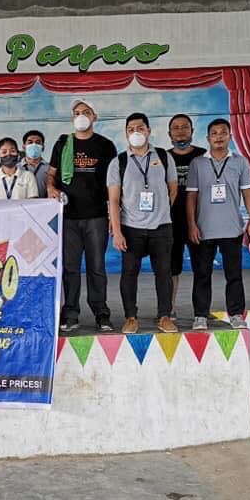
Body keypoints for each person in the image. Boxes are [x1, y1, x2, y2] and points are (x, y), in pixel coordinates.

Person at [47, 100, 117, 333]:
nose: (81, 116)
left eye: (86, 112)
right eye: (77, 113)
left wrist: (113, 216)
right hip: (69, 217)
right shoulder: (63, 143)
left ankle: (101, 313)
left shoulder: (105, 146)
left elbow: (113, 183)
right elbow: (52, 174)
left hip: (96, 216)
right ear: (72, 118)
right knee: (70, 267)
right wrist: (50, 188)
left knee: (97, 267)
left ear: (94, 116)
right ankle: (71, 314)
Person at [107, 112, 179, 334]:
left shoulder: (165, 157)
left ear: (148, 130)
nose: (136, 133)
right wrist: (117, 232)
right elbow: (114, 200)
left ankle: (164, 316)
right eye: (131, 130)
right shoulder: (118, 162)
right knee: (129, 274)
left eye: (140, 128)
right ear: (126, 134)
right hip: (131, 228)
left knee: (164, 273)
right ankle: (130, 317)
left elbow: (173, 188)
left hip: (161, 227)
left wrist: (160, 210)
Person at [186, 118, 250, 331]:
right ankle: (200, 315)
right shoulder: (197, 164)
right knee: (202, 274)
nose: (218, 136)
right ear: (208, 138)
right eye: (214, 133)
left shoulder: (240, 162)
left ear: (230, 136)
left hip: (231, 229)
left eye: (223, 132)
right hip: (204, 229)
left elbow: (248, 192)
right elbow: (191, 197)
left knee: (234, 274)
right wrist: (191, 224)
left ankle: (236, 314)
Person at [167, 114, 206, 318]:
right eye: (176, 128)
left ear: (192, 131)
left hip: (199, 221)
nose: (180, 131)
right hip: (171, 222)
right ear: (169, 133)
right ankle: (169, 309)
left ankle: (201, 311)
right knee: (172, 269)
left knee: (202, 268)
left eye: (185, 127)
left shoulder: (203, 156)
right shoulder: (163, 158)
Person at [20, 130, 49, 197]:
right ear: (24, 147)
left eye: (38, 142)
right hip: (20, 206)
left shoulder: (50, 169)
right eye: (30, 142)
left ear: (43, 147)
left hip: (43, 206)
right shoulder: (16, 168)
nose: (34, 145)